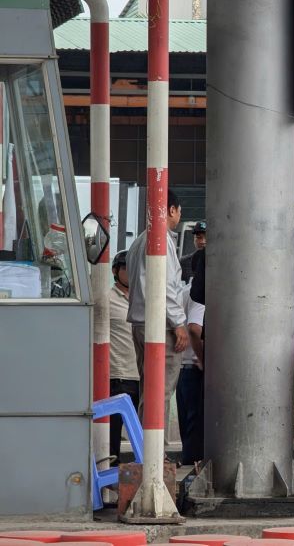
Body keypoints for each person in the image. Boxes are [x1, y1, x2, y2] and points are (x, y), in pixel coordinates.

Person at [126, 189, 189, 435]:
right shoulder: (160, 239)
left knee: (149, 389)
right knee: (160, 391)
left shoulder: (140, 240)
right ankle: (155, 452)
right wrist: (178, 322)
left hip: (141, 324)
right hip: (160, 324)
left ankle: (146, 448)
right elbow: (166, 286)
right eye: (179, 211)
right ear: (172, 210)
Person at [108, 250, 140, 465]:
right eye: (126, 268)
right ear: (115, 271)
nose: (131, 272)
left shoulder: (144, 298)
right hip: (119, 376)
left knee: (145, 436)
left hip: (142, 374)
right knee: (111, 437)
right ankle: (108, 485)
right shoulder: (106, 299)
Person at [176, 282, 205, 465]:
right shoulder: (200, 292)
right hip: (196, 369)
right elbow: (195, 329)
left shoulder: (183, 291)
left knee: (188, 434)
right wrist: (204, 358)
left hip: (184, 368)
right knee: (196, 442)